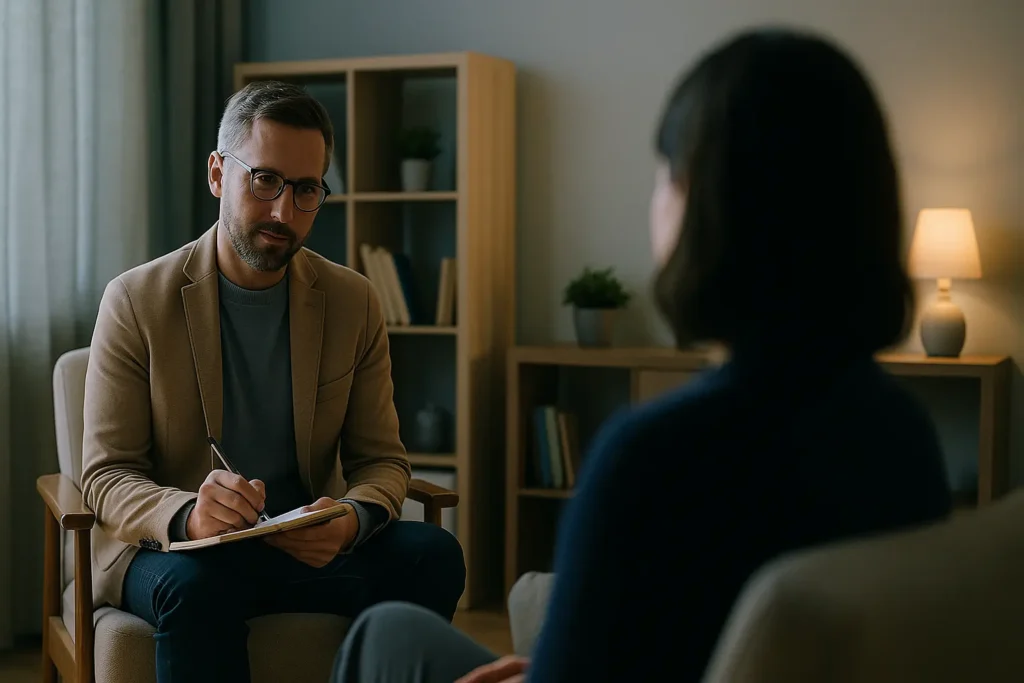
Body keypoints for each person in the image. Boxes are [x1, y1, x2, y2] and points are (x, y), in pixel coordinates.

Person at [328, 27, 954, 683]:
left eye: (664, 177)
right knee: (391, 625)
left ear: (701, 206)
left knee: (385, 638)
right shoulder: (903, 431)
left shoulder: (655, 458)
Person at [80, 80, 466, 683]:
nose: (284, 212)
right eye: (264, 180)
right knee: (199, 588)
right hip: (176, 553)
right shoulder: (134, 300)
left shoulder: (353, 301)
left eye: (306, 189)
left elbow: (383, 461)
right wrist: (188, 515)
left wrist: (350, 520)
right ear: (217, 173)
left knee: (434, 555)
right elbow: (105, 475)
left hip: (301, 547)